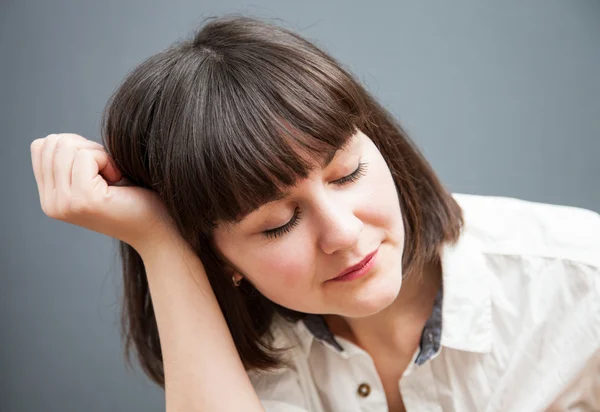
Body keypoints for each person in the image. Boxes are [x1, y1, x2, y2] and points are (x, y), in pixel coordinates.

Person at [29, 15, 600, 412]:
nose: (345, 234)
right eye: (277, 222)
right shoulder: (230, 355)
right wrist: (158, 240)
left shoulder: (581, 280)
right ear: (217, 255)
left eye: (347, 174)